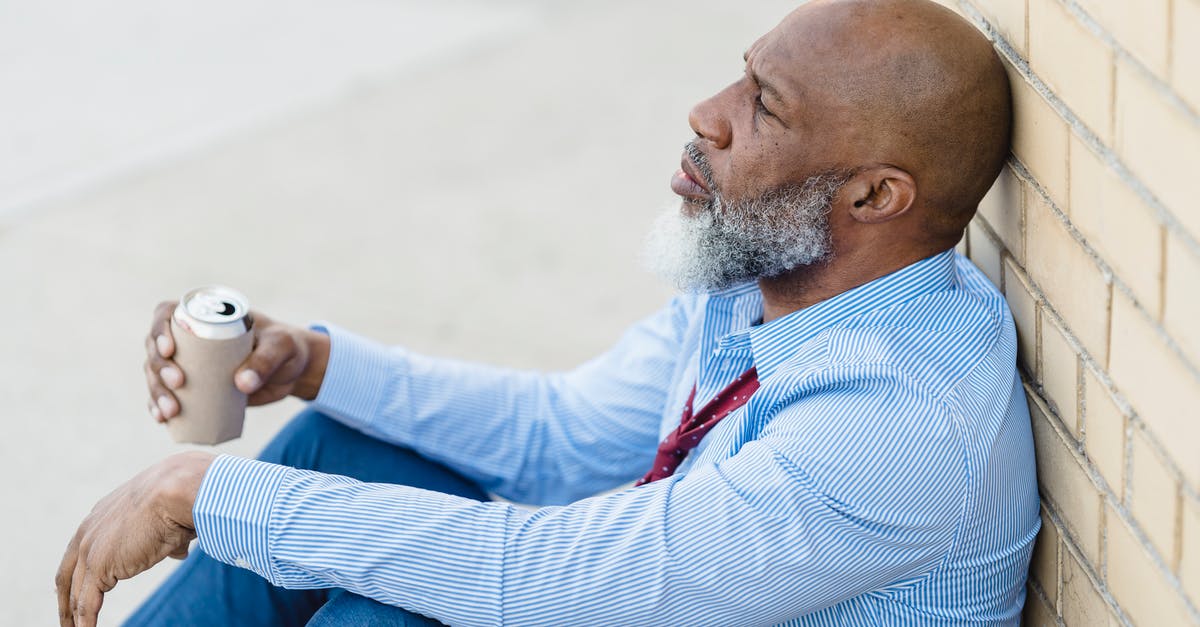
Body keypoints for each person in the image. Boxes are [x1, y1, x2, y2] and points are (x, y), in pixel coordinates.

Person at [56, 0, 1040, 624]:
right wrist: (311, 361)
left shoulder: (897, 424)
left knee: (397, 613)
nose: (707, 110)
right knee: (341, 452)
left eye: (765, 107)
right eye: (741, 72)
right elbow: (561, 438)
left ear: (874, 197)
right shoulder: (780, 293)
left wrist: (202, 493)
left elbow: (557, 581)